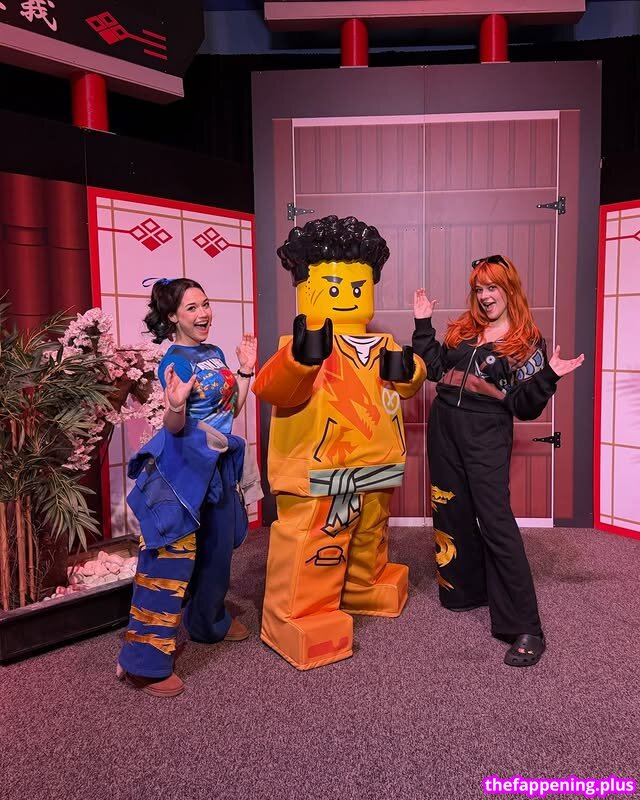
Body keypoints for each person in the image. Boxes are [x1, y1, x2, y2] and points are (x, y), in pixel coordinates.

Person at [254, 215, 426, 670]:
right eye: (333, 287)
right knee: (318, 540)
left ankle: (363, 585)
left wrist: (410, 371)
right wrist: (299, 359)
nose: (348, 295)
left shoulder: (383, 343)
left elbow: (410, 382)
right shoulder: (302, 345)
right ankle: (299, 613)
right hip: (325, 470)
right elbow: (272, 388)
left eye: (357, 287)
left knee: (371, 533)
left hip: (378, 463)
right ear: (305, 289)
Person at [412, 255, 584, 667]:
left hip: (486, 432)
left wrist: (549, 376)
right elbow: (434, 369)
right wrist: (422, 324)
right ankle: (466, 591)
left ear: (509, 289)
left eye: (492, 287)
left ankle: (526, 627)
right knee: (451, 510)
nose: (486, 296)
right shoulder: (464, 330)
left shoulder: (527, 342)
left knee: (495, 521)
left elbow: (523, 407)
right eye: (479, 289)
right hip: (444, 427)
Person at [116, 277, 260, 696]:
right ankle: (144, 663)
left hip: (217, 464)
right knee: (168, 563)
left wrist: (245, 370)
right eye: (192, 308)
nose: (203, 314)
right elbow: (175, 424)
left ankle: (207, 622)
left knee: (218, 551)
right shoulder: (174, 361)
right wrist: (176, 405)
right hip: (183, 471)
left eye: (206, 304)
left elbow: (231, 409)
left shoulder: (214, 353)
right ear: (173, 317)